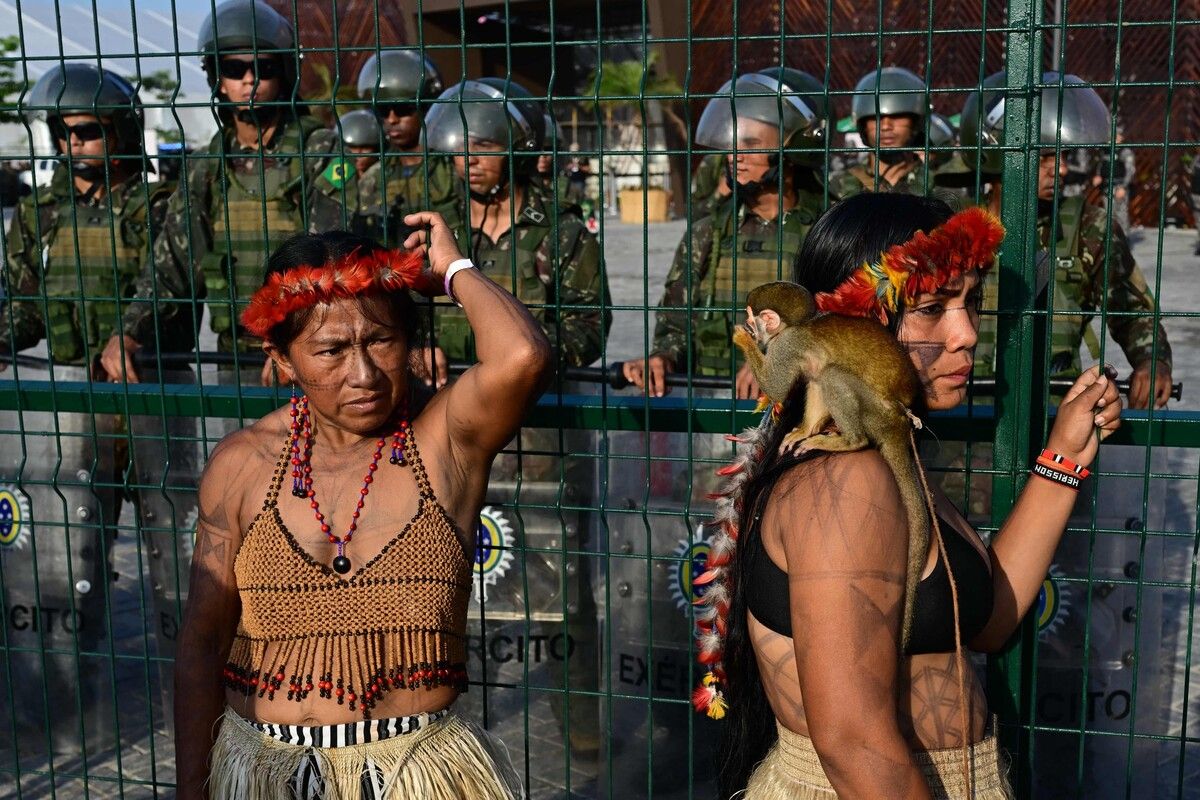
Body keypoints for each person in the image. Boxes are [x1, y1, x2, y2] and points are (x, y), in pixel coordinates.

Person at [695, 192, 1121, 798]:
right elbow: (854, 744)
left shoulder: (882, 447)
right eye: (931, 309)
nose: (967, 333)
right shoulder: (846, 481)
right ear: (856, 324)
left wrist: (1065, 458)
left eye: (973, 303)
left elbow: (988, 622)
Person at [174, 217, 546, 799]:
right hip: (264, 772)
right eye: (331, 350)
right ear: (283, 359)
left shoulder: (444, 440)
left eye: (381, 341)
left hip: (415, 774)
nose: (364, 374)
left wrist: (453, 272)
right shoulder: (242, 466)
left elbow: (522, 355)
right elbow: (200, 647)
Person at [0, 63, 199, 752]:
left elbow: (173, 289)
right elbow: (23, 306)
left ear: (118, 131)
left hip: (151, 402)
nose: (70, 146)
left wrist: (135, 332)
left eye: (84, 132)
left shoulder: (162, 206)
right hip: (73, 410)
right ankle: (64, 722)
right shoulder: (41, 214)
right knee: (68, 566)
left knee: (178, 565)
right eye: (62, 132)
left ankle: (198, 722)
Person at [421, 76, 610, 759]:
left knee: (561, 584)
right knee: (448, 573)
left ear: (517, 150)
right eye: (460, 147)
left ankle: (580, 720)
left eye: (485, 145)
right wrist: (424, 347)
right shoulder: (436, 232)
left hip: (541, 436)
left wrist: (521, 359)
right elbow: (406, 311)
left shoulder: (561, 231)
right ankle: (450, 719)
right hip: (453, 427)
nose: (469, 160)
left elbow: (590, 328)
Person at [101, 0, 336, 392]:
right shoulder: (207, 166)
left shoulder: (319, 150)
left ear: (283, 75)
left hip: (309, 354)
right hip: (235, 357)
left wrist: (293, 341)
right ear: (217, 78)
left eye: (263, 68)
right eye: (233, 68)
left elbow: (331, 255)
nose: (248, 80)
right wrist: (127, 331)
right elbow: (172, 264)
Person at [959, 71, 1172, 408]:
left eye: (1062, 156)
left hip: (1053, 415)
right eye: (1044, 156)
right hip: (960, 420)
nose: (1059, 170)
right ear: (997, 151)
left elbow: (1131, 307)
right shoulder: (950, 227)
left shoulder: (1087, 226)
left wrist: (1152, 359)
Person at [623, 67, 829, 399]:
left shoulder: (828, 231)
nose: (735, 156)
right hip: (713, 402)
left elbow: (847, 324)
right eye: (733, 143)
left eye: (751, 144)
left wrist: (777, 359)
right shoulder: (709, 231)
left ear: (797, 149)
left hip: (802, 405)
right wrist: (662, 357)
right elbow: (676, 323)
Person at [356, 49, 454, 219]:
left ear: (426, 108)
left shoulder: (451, 170)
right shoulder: (374, 178)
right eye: (383, 110)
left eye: (403, 109)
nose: (392, 119)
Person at [828, 67, 934, 198]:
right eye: (875, 117)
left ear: (915, 123)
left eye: (897, 116)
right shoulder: (837, 186)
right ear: (863, 125)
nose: (885, 126)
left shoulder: (935, 185)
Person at [308, 109, 386, 237]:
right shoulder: (335, 174)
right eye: (351, 148)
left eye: (365, 148)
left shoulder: (383, 174)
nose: (357, 154)